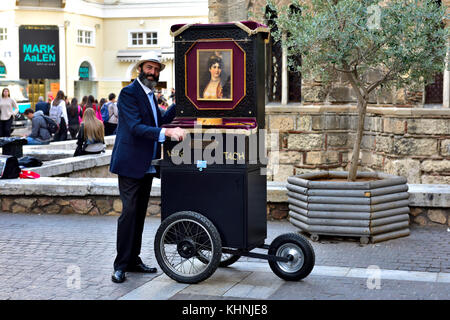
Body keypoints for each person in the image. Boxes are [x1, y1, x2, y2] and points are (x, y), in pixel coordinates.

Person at [109, 51, 186, 283]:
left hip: (147, 165)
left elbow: (160, 120)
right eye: (149, 68)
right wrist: (167, 132)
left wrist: (180, 101)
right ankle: (120, 265)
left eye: (156, 69)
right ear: (140, 68)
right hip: (130, 163)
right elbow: (135, 127)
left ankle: (133, 260)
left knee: (139, 213)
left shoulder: (152, 96)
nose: (152, 72)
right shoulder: (128, 93)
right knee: (129, 213)